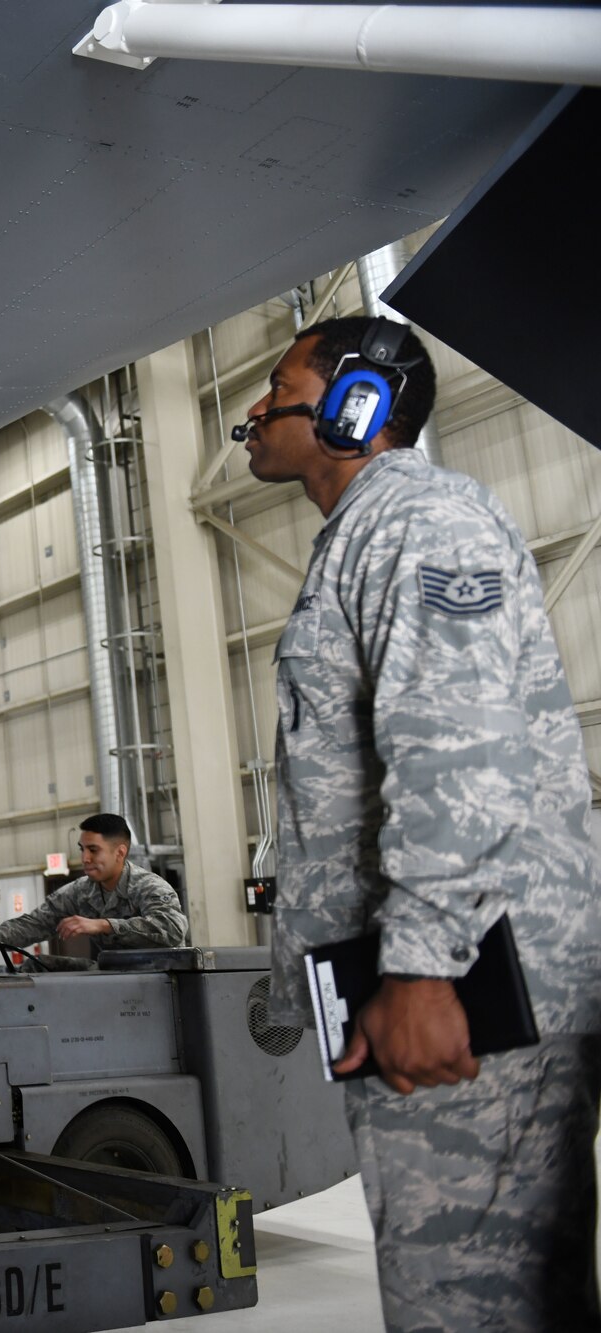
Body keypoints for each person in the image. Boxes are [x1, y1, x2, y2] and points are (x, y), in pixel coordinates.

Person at [238, 314, 600, 1331]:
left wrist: (424, 967)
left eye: (275, 388)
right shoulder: (363, 535)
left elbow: (457, 742)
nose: (253, 413)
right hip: (448, 986)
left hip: (474, 994)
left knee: (471, 1305)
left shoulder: (417, 520)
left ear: (357, 403)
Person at [0, 813, 186, 957]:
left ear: (120, 852)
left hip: (159, 982)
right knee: (35, 968)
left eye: (94, 850)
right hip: (114, 978)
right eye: (83, 850)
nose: (85, 858)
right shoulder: (81, 891)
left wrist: (104, 925)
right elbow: (34, 924)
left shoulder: (149, 886)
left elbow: (173, 929)